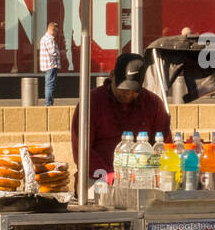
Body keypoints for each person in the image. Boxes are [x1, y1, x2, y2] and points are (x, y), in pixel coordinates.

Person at [72, 52, 171, 182]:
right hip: (97, 176)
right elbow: (82, 151)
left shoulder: (153, 103)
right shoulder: (91, 102)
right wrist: (110, 176)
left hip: (143, 178)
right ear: (112, 75)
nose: (128, 95)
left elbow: (165, 145)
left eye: (134, 91)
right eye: (123, 89)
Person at [38, 22, 62, 106]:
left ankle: (48, 102)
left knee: (48, 84)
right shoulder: (50, 39)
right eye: (56, 31)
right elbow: (53, 52)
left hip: (47, 65)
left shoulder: (44, 38)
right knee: (50, 85)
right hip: (51, 65)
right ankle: (48, 103)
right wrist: (61, 53)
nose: (56, 33)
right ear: (52, 30)